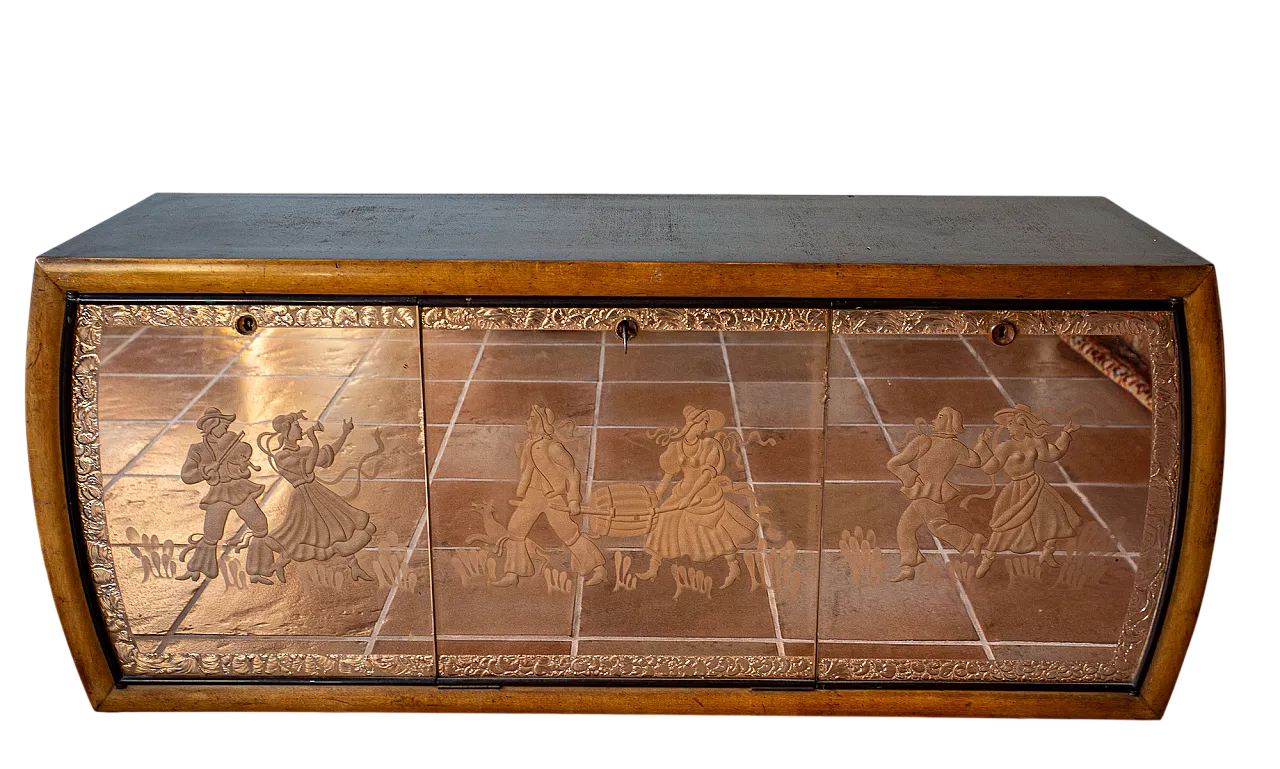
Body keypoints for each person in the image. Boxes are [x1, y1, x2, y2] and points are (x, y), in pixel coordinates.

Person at [633, 407, 759, 588]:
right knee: (664, 522)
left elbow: (706, 476)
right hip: (684, 491)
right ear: (693, 423)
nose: (705, 427)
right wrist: (654, 497)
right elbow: (667, 477)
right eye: (703, 423)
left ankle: (734, 567)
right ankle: (653, 567)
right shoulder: (676, 447)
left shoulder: (710, 445)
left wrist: (690, 497)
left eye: (706, 423)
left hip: (705, 493)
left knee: (718, 530)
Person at [491, 405, 606, 587]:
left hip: (552, 497)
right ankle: (513, 573)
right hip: (532, 496)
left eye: (531, 419)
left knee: (568, 533)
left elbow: (572, 473)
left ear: (540, 423)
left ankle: (598, 568)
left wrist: (574, 499)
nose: (527, 422)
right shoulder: (529, 445)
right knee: (515, 529)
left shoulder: (553, 448)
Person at [257, 411, 377, 582]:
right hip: (303, 497)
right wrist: (313, 440)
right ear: (287, 431)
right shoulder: (282, 456)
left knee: (340, 527)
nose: (300, 430)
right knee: (302, 534)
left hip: (317, 492)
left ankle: (354, 567)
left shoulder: (303, 450)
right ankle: (280, 564)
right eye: (297, 427)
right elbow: (307, 468)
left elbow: (327, 455)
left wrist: (345, 432)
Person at [973, 404, 1084, 578]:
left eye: (1011, 423)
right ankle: (987, 560)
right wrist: (982, 446)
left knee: (1053, 517)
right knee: (1005, 524)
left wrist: (1066, 434)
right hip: (1016, 488)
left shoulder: (1036, 442)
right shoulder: (1005, 447)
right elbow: (990, 468)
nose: (1007, 427)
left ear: (1022, 423)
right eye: (1007, 424)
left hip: (1035, 484)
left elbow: (1052, 454)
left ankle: (1048, 552)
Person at [885, 407, 993, 582]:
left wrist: (911, 478)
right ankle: (909, 564)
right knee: (908, 527)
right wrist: (982, 444)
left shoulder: (924, 441)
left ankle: (971, 539)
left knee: (932, 526)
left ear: (950, 422)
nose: (935, 420)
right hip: (935, 493)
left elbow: (894, 463)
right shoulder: (957, 446)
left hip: (926, 492)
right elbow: (976, 461)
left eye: (940, 416)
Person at [177, 408, 276, 584]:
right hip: (219, 493)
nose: (227, 428)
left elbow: (243, 467)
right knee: (211, 533)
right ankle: (198, 568)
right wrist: (205, 470)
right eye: (223, 425)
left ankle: (259, 569)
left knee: (260, 524)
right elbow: (187, 475)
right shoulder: (198, 449)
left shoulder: (233, 444)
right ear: (212, 426)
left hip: (239, 489)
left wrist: (242, 465)